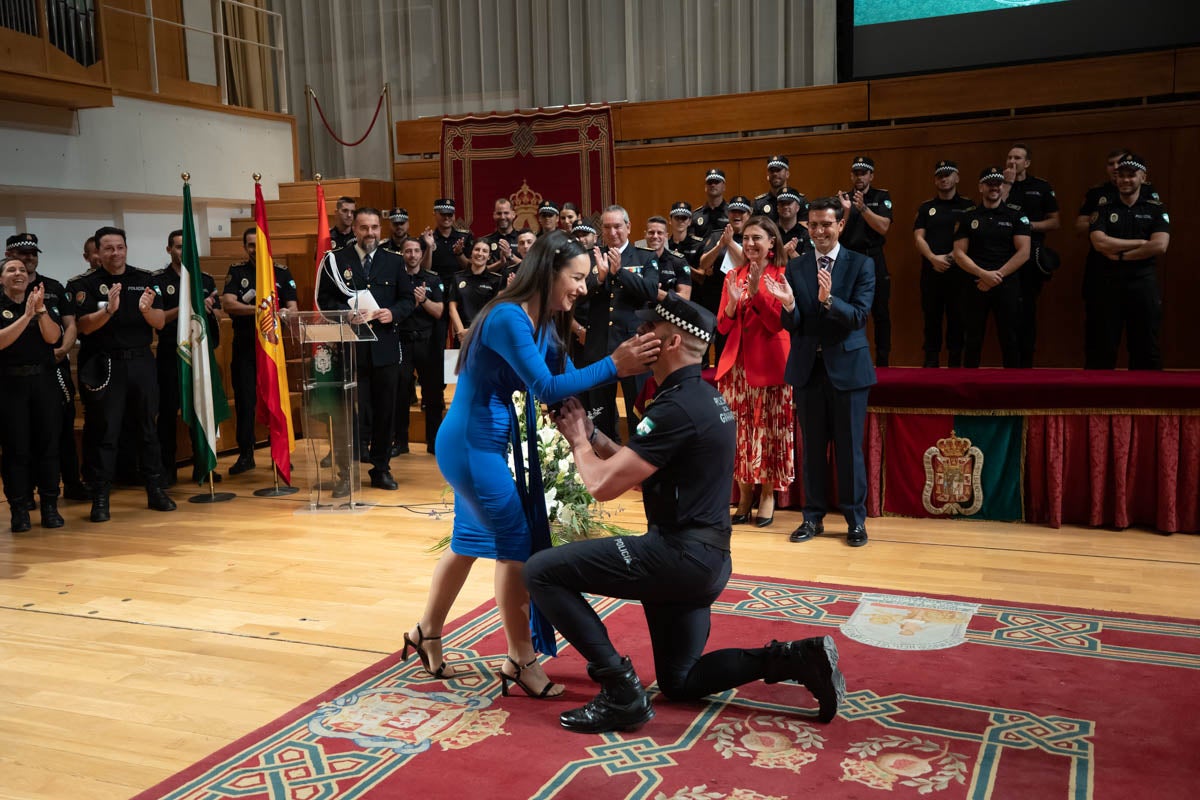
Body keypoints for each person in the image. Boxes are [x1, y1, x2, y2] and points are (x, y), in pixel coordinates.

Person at [523, 294, 843, 734]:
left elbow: (602, 486)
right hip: (707, 561)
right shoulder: (702, 398)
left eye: (646, 330)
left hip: (675, 558)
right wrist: (593, 433)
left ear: (671, 341)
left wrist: (578, 441)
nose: (636, 338)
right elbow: (640, 471)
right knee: (680, 680)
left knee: (541, 571)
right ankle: (793, 658)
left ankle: (619, 688)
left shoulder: (673, 409)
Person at [403, 231, 660, 700]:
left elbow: (562, 385)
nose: (583, 288)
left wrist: (602, 442)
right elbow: (545, 387)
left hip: (483, 445)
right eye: (577, 278)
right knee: (515, 543)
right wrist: (614, 364)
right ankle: (520, 660)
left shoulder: (543, 320)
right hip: (469, 446)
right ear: (548, 271)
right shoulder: (506, 316)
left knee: (468, 541)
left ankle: (426, 633)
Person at [763, 197, 875, 548]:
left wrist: (829, 300)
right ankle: (812, 517)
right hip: (808, 369)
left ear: (840, 225)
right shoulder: (796, 268)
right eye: (814, 225)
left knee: (849, 449)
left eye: (827, 224)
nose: (820, 231)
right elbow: (795, 325)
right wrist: (789, 304)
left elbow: (858, 316)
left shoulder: (861, 264)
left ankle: (855, 520)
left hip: (849, 371)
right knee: (811, 448)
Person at [70, 226, 175, 522]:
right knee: (106, 432)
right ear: (98, 252)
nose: (115, 253)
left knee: (147, 429)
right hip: (105, 364)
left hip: (141, 361)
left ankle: (156, 490)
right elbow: (83, 327)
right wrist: (108, 311)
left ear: (126, 249)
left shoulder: (144, 280)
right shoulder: (86, 284)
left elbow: (159, 323)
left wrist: (145, 310)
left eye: (120, 247)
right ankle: (101, 498)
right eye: (108, 248)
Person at [318, 207, 415, 490]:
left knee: (385, 411)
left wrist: (392, 313)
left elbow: (408, 299)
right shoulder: (337, 261)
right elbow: (324, 299)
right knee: (347, 413)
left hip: (384, 348)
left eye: (374, 228)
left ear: (380, 230)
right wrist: (344, 313)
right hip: (350, 349)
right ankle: (345, 473)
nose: (370, 233)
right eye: (364, 228)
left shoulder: (393, 262)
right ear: (354, 229)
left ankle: (381, 468)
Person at [717, 217, 793, 529]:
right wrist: (733, 306)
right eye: (746, 238)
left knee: (766, 431)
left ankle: (767, 495)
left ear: (772, 242)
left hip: (770, 365)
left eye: (757, 238)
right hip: (736, 368)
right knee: (739, 434)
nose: (750, 244)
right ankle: (745, 494)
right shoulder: (733, 275)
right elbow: (722, 325)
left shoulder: (783, 275)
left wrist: (759, 290)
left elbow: (777, 322)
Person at [7, 233, 87, 501]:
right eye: (21, 254)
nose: (28, 258)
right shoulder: (5, 292)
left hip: (54, 370)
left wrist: (64, 349)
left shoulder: (52, 286)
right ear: (9, 255)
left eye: (32, 253)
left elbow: (70, 323)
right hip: (15, 377)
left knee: (60, 428)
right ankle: (25, 493)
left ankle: (70, 485)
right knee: (21, 438)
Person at [220, 227, 300, 474]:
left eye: (259, 244)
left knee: (275, 399)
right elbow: (228, 304)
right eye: (250, 245)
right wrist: (260, 310)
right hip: (245, 347)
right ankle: (246, 454)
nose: (255, 249)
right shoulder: (237, 271)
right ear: (245, 247)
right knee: (245, 401)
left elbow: (293, 308)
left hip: (273, 347)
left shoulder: (281, 272)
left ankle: (279, 453)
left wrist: (285, 314)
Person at [580, 206, 660, 443]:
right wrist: (601, 278)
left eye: (617, 226)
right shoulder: (590, 256)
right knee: (600, 414)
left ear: (628, 227)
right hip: (599, 346)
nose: (612, 232)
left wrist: (621, 273)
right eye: (607, 227)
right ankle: (605, 464)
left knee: (638, 411)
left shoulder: (645, 257)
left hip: (634, 346)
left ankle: (640, 465)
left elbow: (652, 291)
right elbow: (578, 294)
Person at [1077, 149, 1161, 368]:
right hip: (1107, 282)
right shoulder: (1103, 207)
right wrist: (1141, 243)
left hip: (1142, 283)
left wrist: (1122, 255)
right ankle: (1095, 400)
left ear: (1143, 177)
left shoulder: (1154, 208)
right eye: (1121, 175)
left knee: (1145, 345)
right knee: (1101, 346)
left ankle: (1147, 401)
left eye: (1131, 175)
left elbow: (1160, 245)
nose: (1125, 179)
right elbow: (1099, 242)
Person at [154, 230, 223, 486]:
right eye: (179, 247)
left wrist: (208, 308)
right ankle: (168, 468)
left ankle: (203, 465)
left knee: (201, 407)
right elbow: (159, 317)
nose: (184, 252)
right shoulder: (160, 280)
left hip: (199, 351)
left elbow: (217, 310)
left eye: (188, 247)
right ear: (169, 249)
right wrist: (188, 306)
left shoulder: (204, 278)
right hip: (171, 353)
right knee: (169, 412)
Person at [1, 257, 65, 531]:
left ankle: (50, 506)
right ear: (1, 277)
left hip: (43, 382)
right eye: (11, 269)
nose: (19, 273)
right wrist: (25, 316)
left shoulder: (40, 302)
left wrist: (39, 313)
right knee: (16, 450)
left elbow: (53, 339)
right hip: (9, 386)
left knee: (48, 447)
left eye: (23, 270)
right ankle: (19, 509)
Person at [952, 167, 1032, 369]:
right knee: (972, 338)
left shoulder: (1016, 214)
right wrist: (983, 275)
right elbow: (959, 253)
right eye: (989, 184)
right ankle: (968, 388)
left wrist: (997, 276)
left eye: (998, 184)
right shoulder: (968, 216)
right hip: (975, 283)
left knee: (1010, 337)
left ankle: (1013, 389)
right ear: (981, 187)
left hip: (1007, 282)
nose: (994, 188)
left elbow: (1024, 252)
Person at [1001, 143, 1060, 368]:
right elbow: (996, 208)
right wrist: (1007, 182)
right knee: (1008, 313)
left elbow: (1055, 222)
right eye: (1009, 157)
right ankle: (1011, 364)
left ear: (1027, 163)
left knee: (1027, 311)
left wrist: (1026, 226)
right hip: (1005, 255)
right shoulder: (1000, 183)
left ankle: (1026, 364)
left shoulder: (1041, 186)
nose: (1012, 162)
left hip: (1031, 256)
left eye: (1017, 158)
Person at [913, 160, 974, 367]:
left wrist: (951, 256)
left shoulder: (968, 206)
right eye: (940, 175)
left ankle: (955, 364)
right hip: (932, 271)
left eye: (948, 175)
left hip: (959, 271)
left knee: (958, 318)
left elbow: (973, 237)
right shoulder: (926, 207)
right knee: (932, 318)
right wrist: (932, 258)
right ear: (935, 180)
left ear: (956, 177)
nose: (944, 178)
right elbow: (919, 237)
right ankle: (931, 363)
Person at [838, 156, 893, 366]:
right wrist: (846, 210)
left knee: (880, 311)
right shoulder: (844, 199)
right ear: (852, 175)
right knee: (850, 311)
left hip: (874, 256)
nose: (859, 176)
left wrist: (863, 208)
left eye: (864, 172)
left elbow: (884, 227)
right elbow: (837, 232)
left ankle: (883, 361)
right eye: (856, 173)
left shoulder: (881, 196)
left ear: (871, 175)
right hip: (851, 257)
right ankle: (852, 359)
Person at [394, 237, 445, 456]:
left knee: (433, 395)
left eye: (416, 251)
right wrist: (410, 304)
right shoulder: (395, 279)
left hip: (427, 343)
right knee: (400, 394)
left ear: (422, 254)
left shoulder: (432, 280)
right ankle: (400, 442)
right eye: (408, 251)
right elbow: (392, 311)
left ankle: (434, 442)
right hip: (402, 341)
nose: (413, 255)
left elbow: (439, 312)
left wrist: (423, 301)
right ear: (402, 254)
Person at [448, 240, 505, 344]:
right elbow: (452, 307)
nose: (480, 253)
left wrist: (476, 331)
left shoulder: (496, 280)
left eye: (484, 251)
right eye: (477, 249)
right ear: (471, 253)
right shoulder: (458, 277)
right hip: (462, 334)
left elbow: (496, 310)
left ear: (489, 256)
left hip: (486, 333)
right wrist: (461, 332)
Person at [644, 215, 692, 301]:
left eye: (660, 233)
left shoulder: (678, 262)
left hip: (666, 312)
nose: (655, 236)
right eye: (651, 232)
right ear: (645, 235)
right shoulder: (636, 258)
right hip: (638, 312)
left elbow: (685, 297)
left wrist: (654, 292)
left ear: (666, 236)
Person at [690, 167, 730, 243]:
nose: (713, 185)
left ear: (724, 186)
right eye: (710, 182)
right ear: (705, 187)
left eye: (716, 182)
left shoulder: (732, 213)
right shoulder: (695, 216)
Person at [752, 154, 792, 223]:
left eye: (778, 170)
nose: (775, 174)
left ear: (787, 174)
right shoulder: (758, 204)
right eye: (772, 171)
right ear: (768, 175)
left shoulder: (798, 201)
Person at [776, 187, 810, 259]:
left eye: (789, 203)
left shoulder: (806, 234)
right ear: (778, 208)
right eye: (782, 204)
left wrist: (792, 253)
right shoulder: (770, 232)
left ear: (797, 207)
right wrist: (783, 252)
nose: (785, 207)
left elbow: (807, 265)